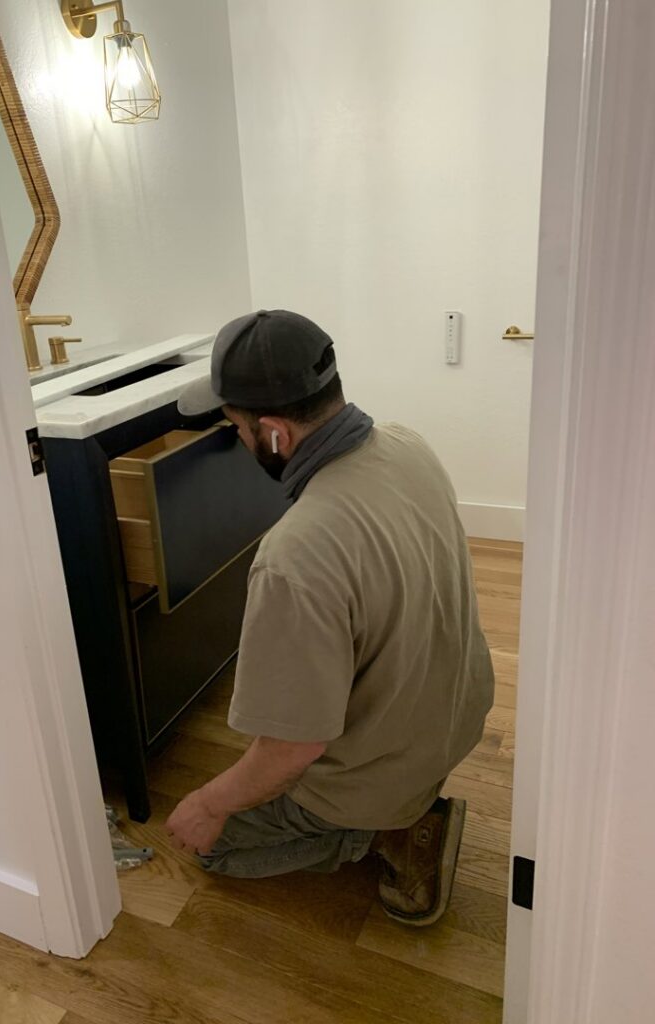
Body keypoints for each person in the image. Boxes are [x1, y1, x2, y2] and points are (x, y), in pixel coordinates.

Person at [166, 309, 494, 925]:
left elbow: (294, 748)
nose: (235, 441)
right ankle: (408, 800)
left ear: (272, 434)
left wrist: (211, 804)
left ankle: (383, 831)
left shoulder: (296, 553)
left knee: (211, 845)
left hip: (386, 769)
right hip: (455, 717)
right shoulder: (405, 443)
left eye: (234, 427)